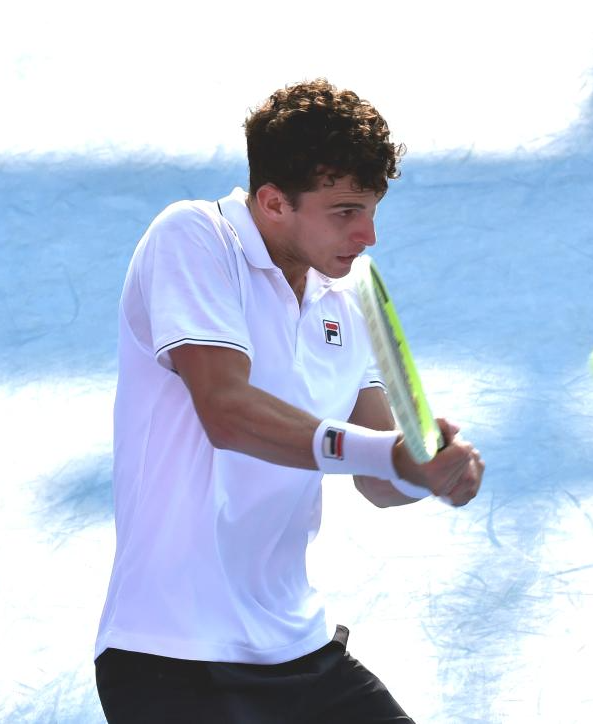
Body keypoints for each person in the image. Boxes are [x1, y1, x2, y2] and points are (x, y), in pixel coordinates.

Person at [93, 78, 485, 723]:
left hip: (300, 648)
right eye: (345, 211)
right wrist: (390, 453)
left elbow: (378, 480)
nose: (368, 234)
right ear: (274, 203)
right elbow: (227, 411)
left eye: (373, 209)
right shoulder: (194, 237)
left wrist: (427, 470)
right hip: (171, 654)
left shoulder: (348, 301)